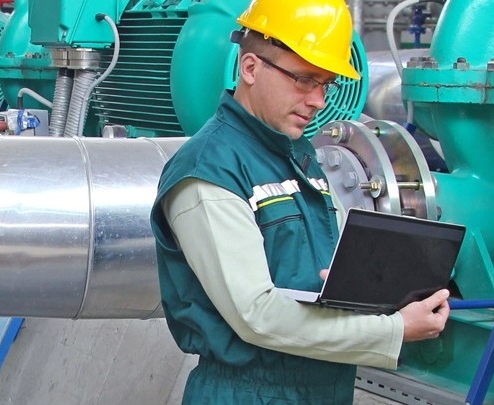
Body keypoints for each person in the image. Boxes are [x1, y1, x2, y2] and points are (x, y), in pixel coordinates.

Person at [150, 0, 453, 403]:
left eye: (326, 84)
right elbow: (257, 315)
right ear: (250, 68)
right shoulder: (210, 169)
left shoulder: (299, 156)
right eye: (305, 80)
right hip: (247, 393)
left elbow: (321, 269)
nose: (318, 101)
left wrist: (377, 291)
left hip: (323, 387)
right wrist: (394, 330)